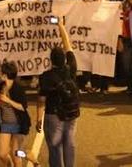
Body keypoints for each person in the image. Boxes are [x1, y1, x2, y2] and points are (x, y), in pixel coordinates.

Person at [37, 18, 79, 167]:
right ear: (65, 59)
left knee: (55, 146)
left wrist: (39, 119)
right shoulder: (72, 67)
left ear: (51, 60)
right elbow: (68, 45)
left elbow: (41, 101)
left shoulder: (46, 76)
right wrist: (61, 26)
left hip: (54, 114)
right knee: (69, 142)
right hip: (71, 113)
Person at [0, 61, 30, 166]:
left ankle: (28, 155)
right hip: (5, 123)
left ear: (5, 75)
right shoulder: (0, 86)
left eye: (1, 73)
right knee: (2, 154)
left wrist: (8, 100)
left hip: (18, 124)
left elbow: (23, 107)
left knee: (16, 154)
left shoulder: (18, 88)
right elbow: (1, 104)